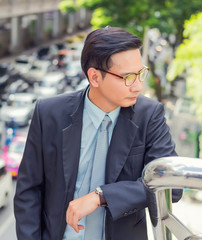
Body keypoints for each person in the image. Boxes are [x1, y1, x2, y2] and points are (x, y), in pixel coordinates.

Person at [14, 26, 182, 240]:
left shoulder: (149, 115)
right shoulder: (49, 113)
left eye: (141, 73)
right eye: (128, 77)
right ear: (94, 77)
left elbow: (171, 187)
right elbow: (28, 190)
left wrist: (101, 196)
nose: (138, 86)